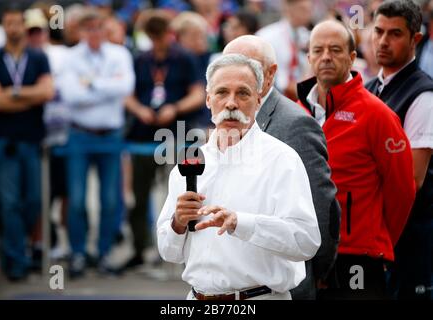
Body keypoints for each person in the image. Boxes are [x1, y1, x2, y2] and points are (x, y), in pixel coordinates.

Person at [157, 53, 321, 300]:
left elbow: (306, 241)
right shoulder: (190, 163)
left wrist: (240, 223)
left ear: (258, 100)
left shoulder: (281, 160)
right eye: (222, 92)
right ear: (208, 99)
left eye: (242, 93)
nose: (231, 103)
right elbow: (169, 252)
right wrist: (177, 223)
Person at [297, 20, 416, 299]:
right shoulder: (298, 113)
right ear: (309, 58)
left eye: (336, 50)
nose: (326, 56)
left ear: (352, 58)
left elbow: (402, 191)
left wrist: (375, 240)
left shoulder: (377, 114)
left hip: (358, 255)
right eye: (319, 50)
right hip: (306, 254)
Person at [223, 35, 340, 300]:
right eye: (229, 63)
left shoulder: (295, 124)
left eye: (248, 64)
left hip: (280, 286)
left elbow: (321, 211)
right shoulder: (227, 119)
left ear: (271, 73)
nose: (239, 72)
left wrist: (313, 273)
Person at [125, 10, 205, 268]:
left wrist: (175, 108)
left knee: (180, 194)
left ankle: (182, 250)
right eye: (154, 36)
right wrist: (140, 110)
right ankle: (140, 248)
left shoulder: (183, 58)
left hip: (178, 132)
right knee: (140, 194)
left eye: (161, 35)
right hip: (144, 135)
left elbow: (197, 94)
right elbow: (128, 94)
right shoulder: (141, 60)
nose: (158, 41)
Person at [365, 0, 433, 300]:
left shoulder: (423, 95)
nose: (383, 41)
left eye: (394, 34)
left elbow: (412, 181)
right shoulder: (368, 88)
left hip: (409, 239)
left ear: (415, 39)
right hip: (371, 233)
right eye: (378, 31)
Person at [60, 8, 134, 278]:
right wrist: (106, 86)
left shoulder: (120, 54)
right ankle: (78, 253)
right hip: (79, 135)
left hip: (110, 136)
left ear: (105, 29)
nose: (94, 33)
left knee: (110, 200)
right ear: (81, 31)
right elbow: (71, 95)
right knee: (77, 200)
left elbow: (125, 87)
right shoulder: (70, 57)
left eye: (98, 27)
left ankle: (103, 254)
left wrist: (90, 84)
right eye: (88, 28)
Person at [0, 4, 54, 281]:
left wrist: (12, 93)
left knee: (34, 201)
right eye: (9, 24)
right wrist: (28, 95)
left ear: (24, 27)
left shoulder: (38, 58)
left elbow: (47, 92)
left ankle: (21, 247)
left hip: (33, 140)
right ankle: (16, 259)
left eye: (18, 23)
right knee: (9, 202)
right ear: (4, 27)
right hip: (4, 142)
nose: (14, 28)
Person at [256, 0, 312, 101]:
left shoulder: (306, 35)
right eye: (302, 9)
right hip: (274, 96)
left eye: (309, 9)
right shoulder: (268, 35)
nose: (308, 14)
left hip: (300, 95)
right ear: (289, 9)